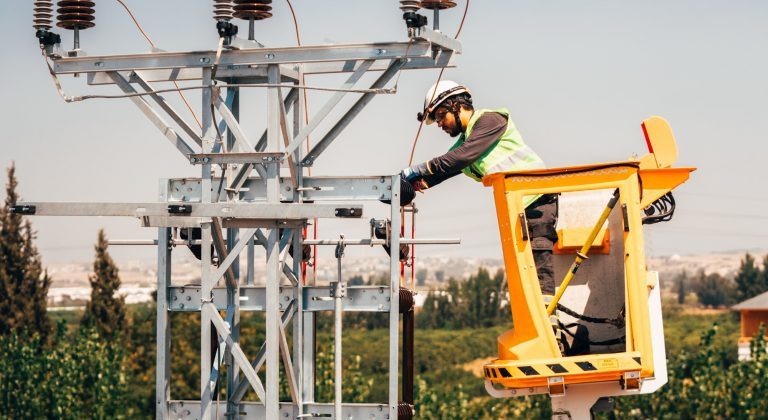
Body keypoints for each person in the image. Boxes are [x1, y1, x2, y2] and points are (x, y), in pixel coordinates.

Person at [401, 80, 559, 299]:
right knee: (524, 268)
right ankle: (539, 317)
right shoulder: (469, 139)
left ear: (455, 105)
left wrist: (417, 169)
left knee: (538, 262)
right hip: (517, 205)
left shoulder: (490, 120)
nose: (439, 124)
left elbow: (459, 158)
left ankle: (548, 320)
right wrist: (409, 186)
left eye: (440, 117)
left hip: (537, 198)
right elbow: (446, 169)